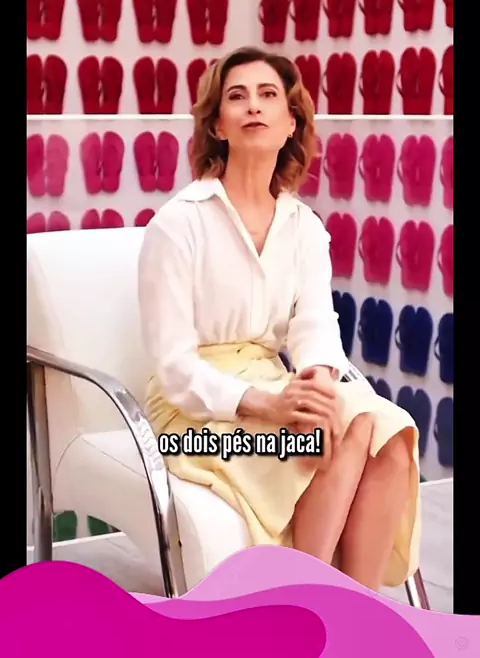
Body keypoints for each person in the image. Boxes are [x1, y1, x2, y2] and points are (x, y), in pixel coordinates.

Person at [138, 46, 421, 592]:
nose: (253, 106)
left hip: (274, 383)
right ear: (217, 125)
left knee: (385, 431)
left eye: (268, 95)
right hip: (190, 421)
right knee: (337, 434)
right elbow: (173, 369)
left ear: (291, 122)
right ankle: (307, 604)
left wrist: (316, 388)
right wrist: (269, 406)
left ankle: (354, 615)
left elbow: (315, 326)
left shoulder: (304, 227)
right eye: (237, 96)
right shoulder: (177, 224)